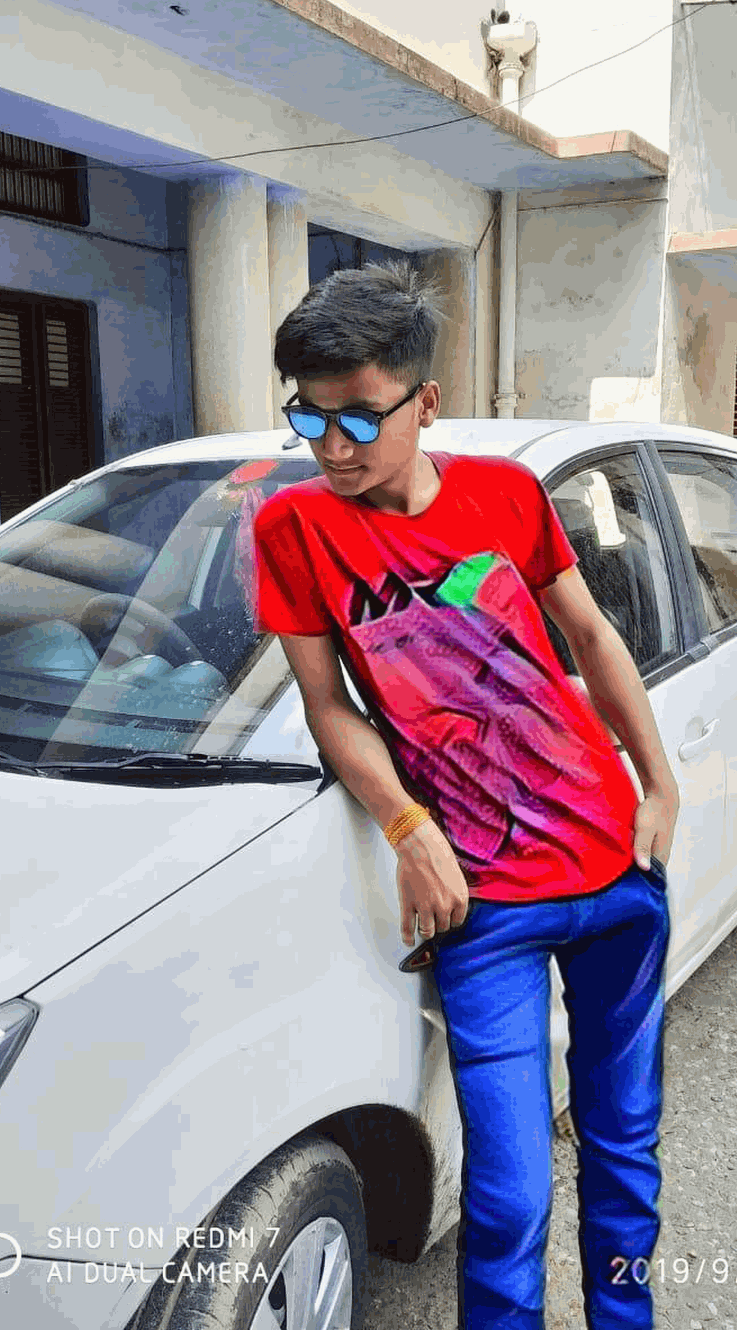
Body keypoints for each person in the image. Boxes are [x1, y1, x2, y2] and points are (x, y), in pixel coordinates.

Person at [251, 260, 680, 1330]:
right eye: (309, 417)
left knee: (625, 1159)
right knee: (508, 1198)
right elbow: (327, 705)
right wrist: (407, 825)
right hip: (483, 905)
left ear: (426, 402)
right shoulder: (293, 530)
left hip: (617, 871)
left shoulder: (507, 495)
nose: (333, 446)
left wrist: (659, 783)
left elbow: (591, 636)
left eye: (359, 418)